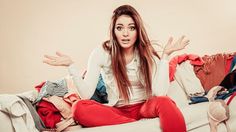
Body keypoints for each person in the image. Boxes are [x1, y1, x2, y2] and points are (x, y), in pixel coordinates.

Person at [43, 4, 189, 132]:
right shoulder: (101, 53)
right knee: (78, 107)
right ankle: (135, 127)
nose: (125, 34)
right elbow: (86, 95)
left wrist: (165, 57)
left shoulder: (146, 52)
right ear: (113, 31)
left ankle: (132, 126)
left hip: (145, 106)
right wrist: (71, 66)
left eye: (131, 28)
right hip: (117, 111)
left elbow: (159, 92)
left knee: (165, 102)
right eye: (120, 28)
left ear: (138, 31)